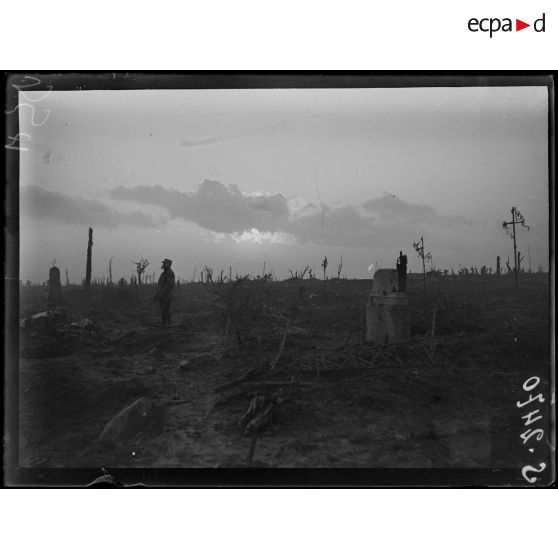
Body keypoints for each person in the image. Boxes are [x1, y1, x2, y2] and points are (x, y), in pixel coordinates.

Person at [154, 258, 175, 325]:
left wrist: (161, 292)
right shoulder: (163, 273)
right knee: (163, 308)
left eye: (165, 263)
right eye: (163, 263)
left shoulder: (170, 273)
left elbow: (168, 285)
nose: (163, 264)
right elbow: (161, 285)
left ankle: (168, 324)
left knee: (165, 308)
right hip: (163, 294)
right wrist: (158, 293)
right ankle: (164, 324)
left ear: (169, 264)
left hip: (168, 294)